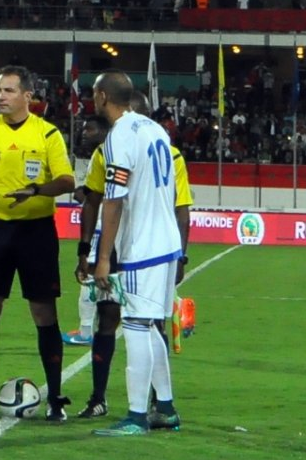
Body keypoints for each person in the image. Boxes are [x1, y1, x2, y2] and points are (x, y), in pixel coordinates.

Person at [0, 65, 75, 421]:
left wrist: (37, 190)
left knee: (43, 312)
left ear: (28, 96)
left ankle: (55, 397)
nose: (0, 97)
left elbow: (67, 180)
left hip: (36, 232)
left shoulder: (47, 134)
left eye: (8, 91)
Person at [70, 91, 193, 420]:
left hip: (141, 246)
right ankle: (164, 408)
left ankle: (137, 415)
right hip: (167, 245)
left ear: (102, 96)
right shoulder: (158, 132)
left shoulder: (120, 136)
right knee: (153, 326)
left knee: (136, 325)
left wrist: (105, 257)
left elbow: (114, 198)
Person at [62, 115, 110, 347]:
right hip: (117, 228)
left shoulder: (102, 153)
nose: (84, 132)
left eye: (89, 128)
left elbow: (96, 197)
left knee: (88, 276)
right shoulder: (117, 150)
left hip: (102, 227)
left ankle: (85, 332)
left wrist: (85, 195)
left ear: (103, 130)